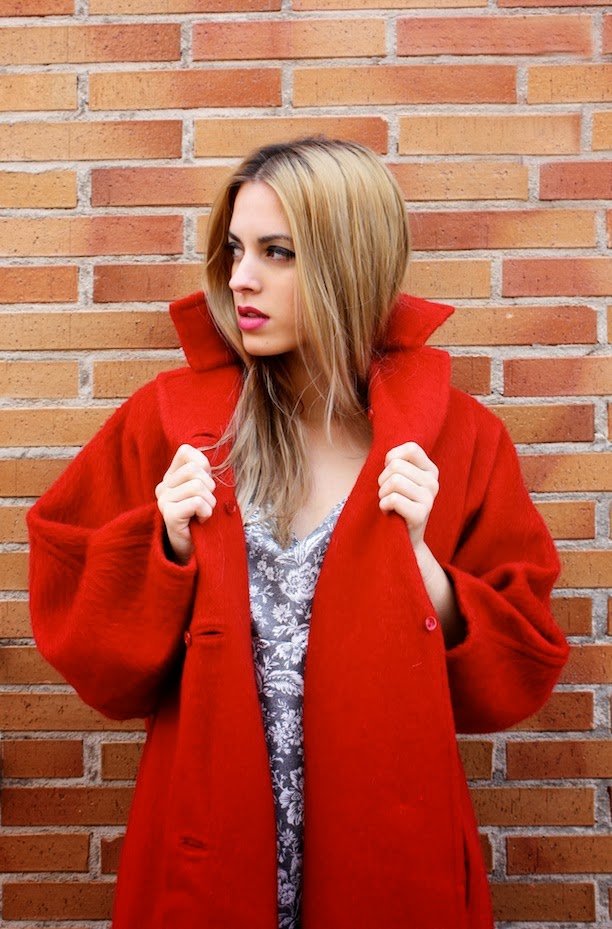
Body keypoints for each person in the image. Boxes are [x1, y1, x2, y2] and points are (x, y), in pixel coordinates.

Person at [28, 137, 569, 929]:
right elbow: (86, 642)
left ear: (349, 262)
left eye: (277, 252)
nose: (241, 277)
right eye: (236, 249)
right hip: (207, 840)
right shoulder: (173, 424)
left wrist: (422, 565)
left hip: (388, 846)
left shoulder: (458, 439)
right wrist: (165, 545)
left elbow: (519, 670)